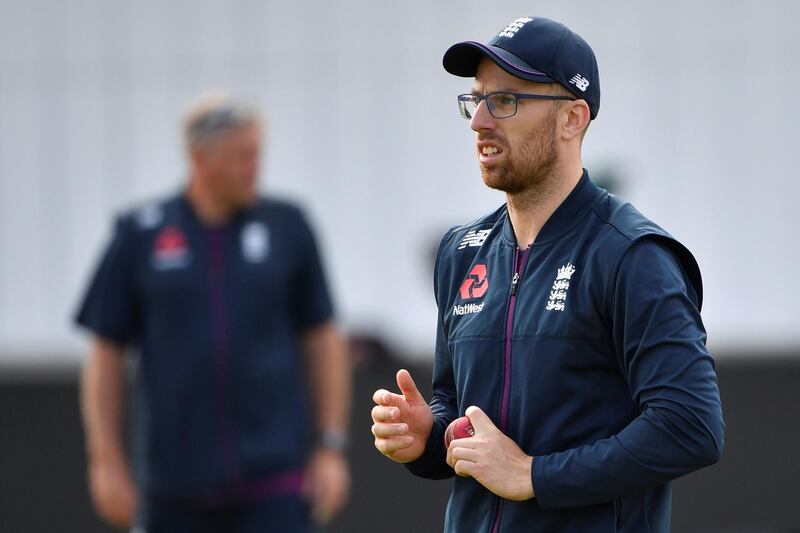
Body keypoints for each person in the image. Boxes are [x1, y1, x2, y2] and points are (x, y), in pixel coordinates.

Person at [371, 16, 723, 532]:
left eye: (506, 101)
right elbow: (455, 406)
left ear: (572, 119)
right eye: (476, 100)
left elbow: (691, 427)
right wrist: (427, 436)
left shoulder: (633, 255)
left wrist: (536, 476)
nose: (479, 122)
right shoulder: (461, 251)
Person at [76, 92, 351, 532]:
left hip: (275, 481)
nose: (254, 168)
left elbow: (323, 337)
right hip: (172, 486)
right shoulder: (140, 233)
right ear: (200, 158)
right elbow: (105, 349)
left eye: (257, 154)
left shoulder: (288, 226)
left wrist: (331, 446)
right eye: (242, 156)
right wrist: (105, 460)